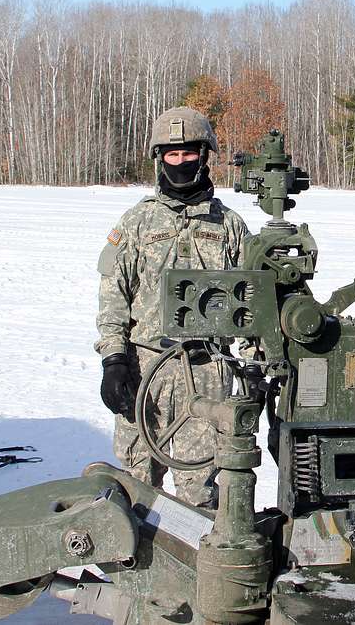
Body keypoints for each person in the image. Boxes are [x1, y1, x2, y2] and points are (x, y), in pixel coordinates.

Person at [95, 106, 251, 508]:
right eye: (171, 154)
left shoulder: (230, 227)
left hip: (206, 373)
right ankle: (132, 570)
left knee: (200, 492)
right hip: (144, 369)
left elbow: (251, 304)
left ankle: (200, 569)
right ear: (159, 158)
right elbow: (113, 295)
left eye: (188, 154)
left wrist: (254, 368)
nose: (180, 163)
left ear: (205, 155)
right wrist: (113, 360)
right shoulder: (137, 223)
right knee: (134, 486)